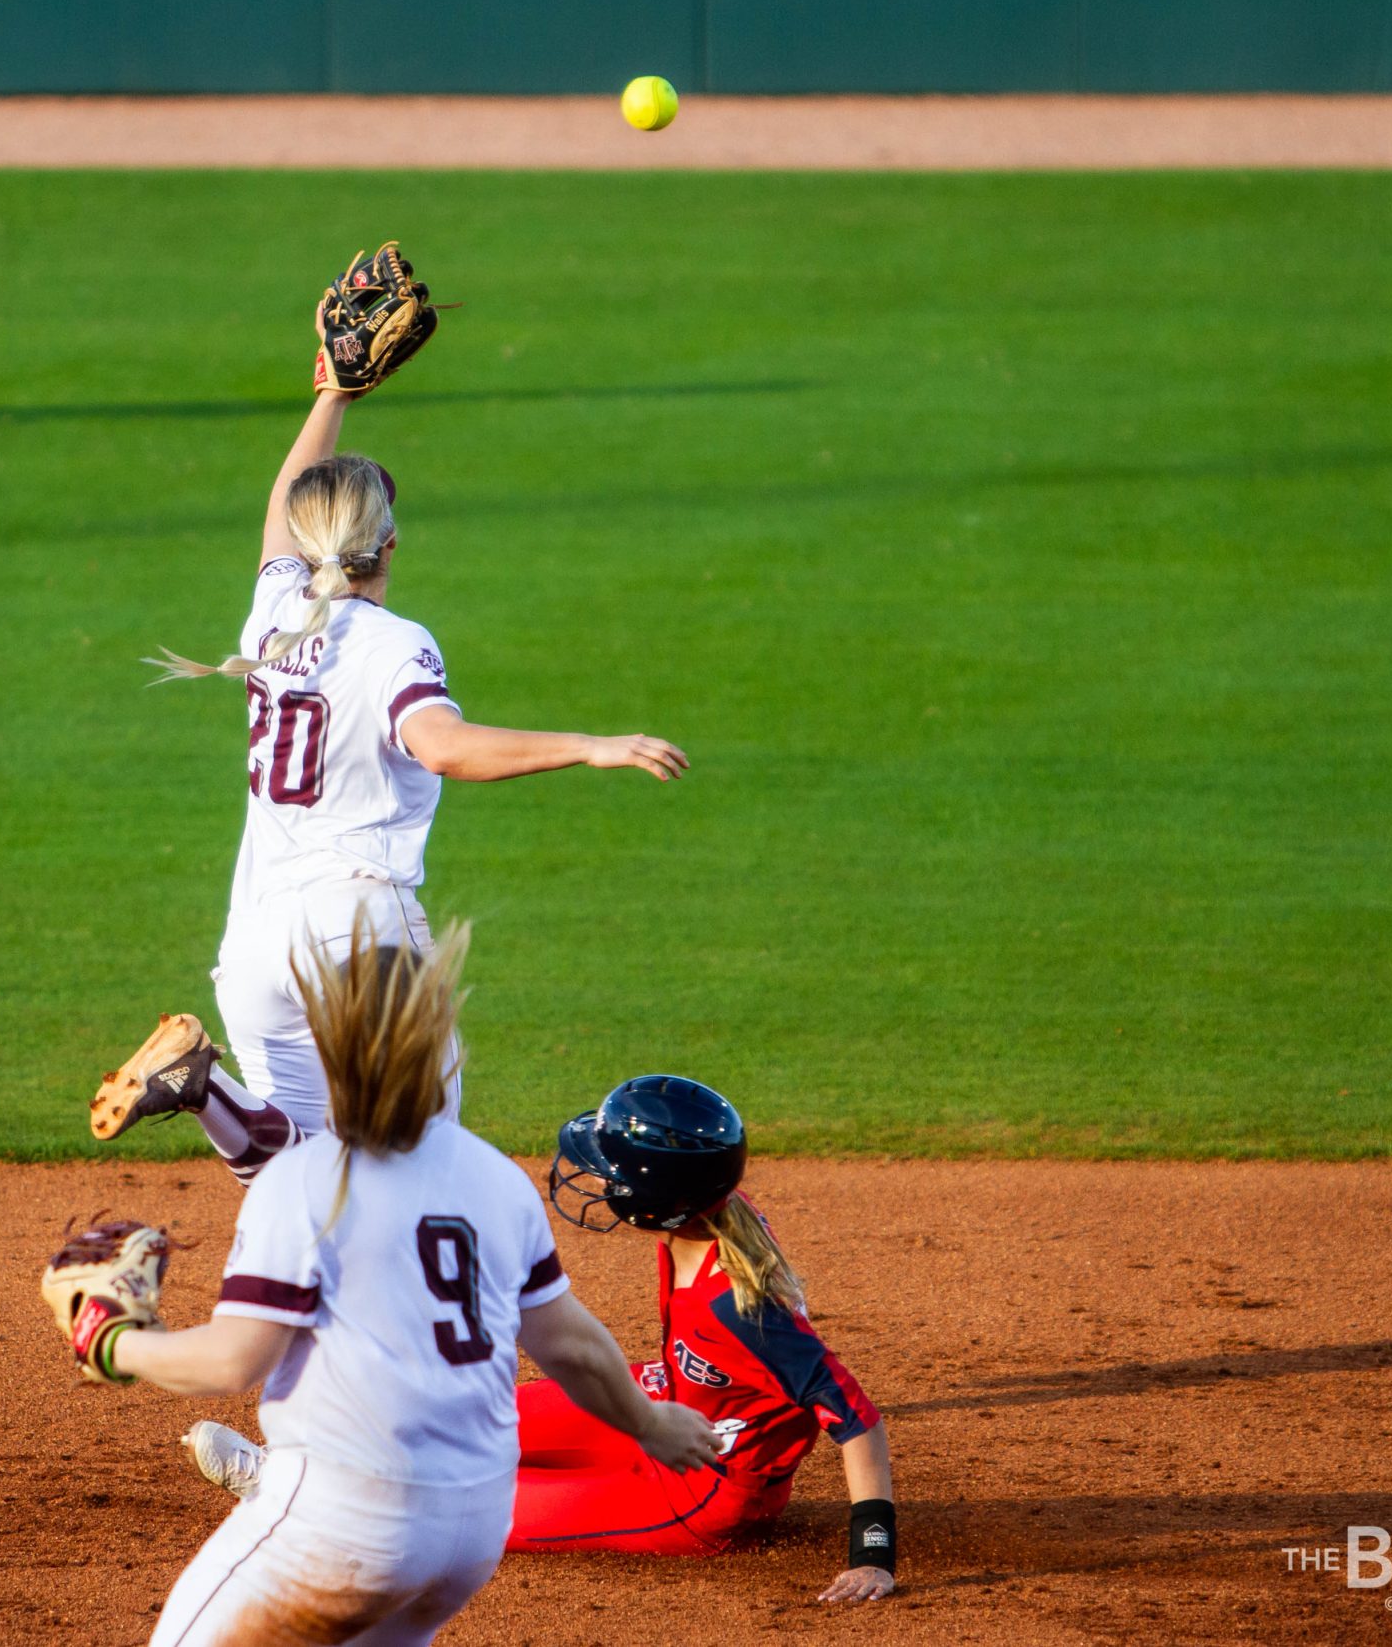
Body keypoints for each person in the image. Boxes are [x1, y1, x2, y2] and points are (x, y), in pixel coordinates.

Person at [89, 366, 689, 1179]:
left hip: (257, 940)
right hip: (358, 933)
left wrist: (330, 395)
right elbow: (441, 744)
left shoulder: (273, 614)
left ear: (302, 547)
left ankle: (204, 1090)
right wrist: (586, 743)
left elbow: (279, 511)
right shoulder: (393, 640)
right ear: (391, 545)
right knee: (422, 1163)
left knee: (295, 1179)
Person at [69, 920, 722, 1646]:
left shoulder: (303, 1181)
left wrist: (112, 1340)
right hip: (472, 1530)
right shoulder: (498, 1181)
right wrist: (651, 1422)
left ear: (329, 1051)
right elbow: (570, 1343)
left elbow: (232, 1360)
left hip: (350, 1525)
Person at [525, 1075, 898, 1599]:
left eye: (615, 1174)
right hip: (666, 1398)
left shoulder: (739, 1311)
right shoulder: (713, 1211)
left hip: (699, 1488)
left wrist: (873, 1555)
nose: (603, 1179)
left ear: (656, 1200)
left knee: (465, 1511)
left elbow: (857, 1419)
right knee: (478, 1416)